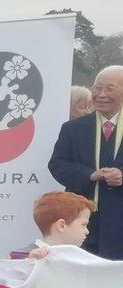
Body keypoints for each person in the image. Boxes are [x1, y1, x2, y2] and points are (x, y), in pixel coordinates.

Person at [49, 65, 123, 259]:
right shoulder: (73, 129)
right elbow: (57, 165)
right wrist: (90, 174)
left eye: (110, 89)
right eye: (97, 88)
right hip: (82, 224)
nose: (101, 94)